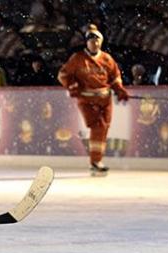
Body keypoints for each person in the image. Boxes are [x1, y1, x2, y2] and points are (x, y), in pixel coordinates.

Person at [57, 24, 129, 175]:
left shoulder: (107, 59)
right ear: (86, 42)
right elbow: (63, 75)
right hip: (86, 100)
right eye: (90, 40)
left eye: (96, 40)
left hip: (105, 99)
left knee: (103, 128)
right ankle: (96, 161)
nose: (94, 43)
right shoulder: (77, 59)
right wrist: (72, 86)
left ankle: (96, 160)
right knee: (98, 126)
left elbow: (115, 77)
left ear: (100, 42)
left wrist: (119, 89)